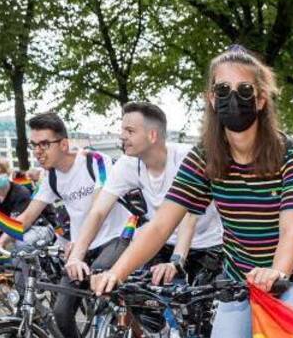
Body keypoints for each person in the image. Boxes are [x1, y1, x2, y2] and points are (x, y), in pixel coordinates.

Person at [91, 46, 293, 338]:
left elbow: (292, 227)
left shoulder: (290, 153)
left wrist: (278, 272)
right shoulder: (206, 157)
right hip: (240, 277)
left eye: (243, 90)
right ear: (210, 98)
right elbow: (161, 224)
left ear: (261, 98)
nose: (232, 98)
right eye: (222, 89)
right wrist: (116, 273)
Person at [15, 112, 129, 338]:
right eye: (33, 145)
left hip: (113, 240)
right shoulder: (51, 177)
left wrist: (76, 247)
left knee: (101, 287)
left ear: (64, 143)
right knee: (60, 311)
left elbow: (101, 206)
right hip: (80, 249)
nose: (38, 151)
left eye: (44, 144)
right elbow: (26, 217)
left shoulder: (94, 162)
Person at [65, 101, 224, 287]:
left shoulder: (187, 158)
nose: (122, 136)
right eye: (122, 130)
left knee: (192, 309)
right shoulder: (127, 164)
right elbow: (98, 211)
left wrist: (176, 261)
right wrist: (76, 256)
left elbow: (189, 217)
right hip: (159, 242)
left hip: (204, 244)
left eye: (130, 131)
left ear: (152, 135)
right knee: (132, 297)